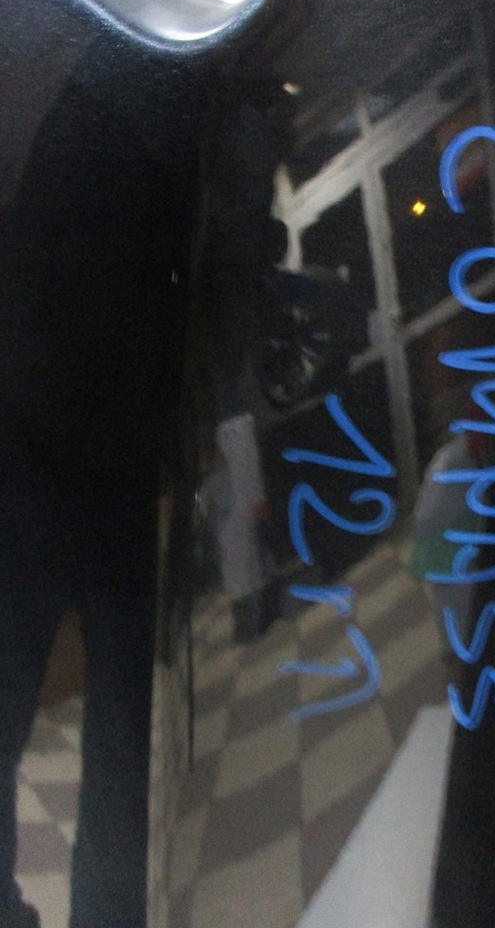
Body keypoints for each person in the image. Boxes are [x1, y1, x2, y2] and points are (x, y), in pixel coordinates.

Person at [0, 59, 192, 928]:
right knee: (120, 742)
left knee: (111, 737)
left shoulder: (96, 113)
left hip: (54, 457)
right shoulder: (140, 112)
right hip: (85, 465)